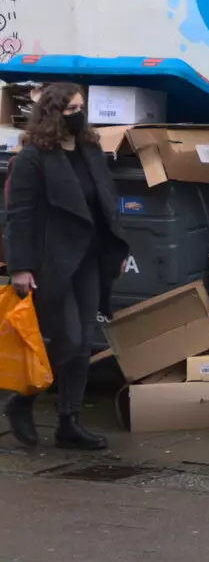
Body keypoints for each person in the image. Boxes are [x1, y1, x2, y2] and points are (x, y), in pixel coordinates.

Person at [2, 83, 129, 450]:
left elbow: (106, 202)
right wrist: (21, 267)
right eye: (72, 108)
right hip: (51, 261)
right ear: (55, 113)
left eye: (81, 106)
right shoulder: (33, 158)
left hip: (89, 257)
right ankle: (22, 400)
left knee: (83, 340)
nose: (79, 113)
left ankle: (68, 422)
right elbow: (18, 216)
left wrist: (116, 249)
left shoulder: (90, 149)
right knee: (68, 338)